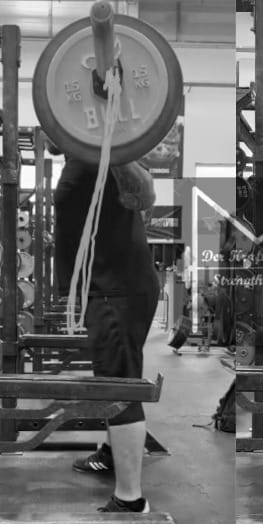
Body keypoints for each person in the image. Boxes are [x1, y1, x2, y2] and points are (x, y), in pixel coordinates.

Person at [53, 156, 160, 513]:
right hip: (107, 286)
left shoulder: (107, 146)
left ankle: (130, 499)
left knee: (119, 386)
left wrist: (111, 149)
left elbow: (144, 195)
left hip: (116, 287)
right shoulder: (78, 151)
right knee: (115, 379)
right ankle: (113, 453)